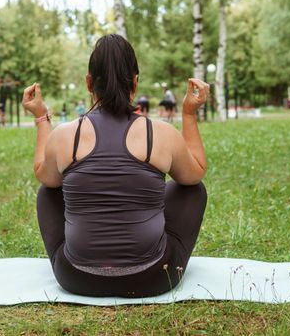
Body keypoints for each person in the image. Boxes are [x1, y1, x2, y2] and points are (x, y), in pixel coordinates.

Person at [22, 34, 208, 298]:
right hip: (154, 277)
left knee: (48, 191)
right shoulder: (161, 133)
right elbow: (196, 172)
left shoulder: (65, 135)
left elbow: (44, 173)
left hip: (76, 278)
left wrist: (41, 117)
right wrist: (189, 113)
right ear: (134, 82)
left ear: (89, 83)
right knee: (193, 190)